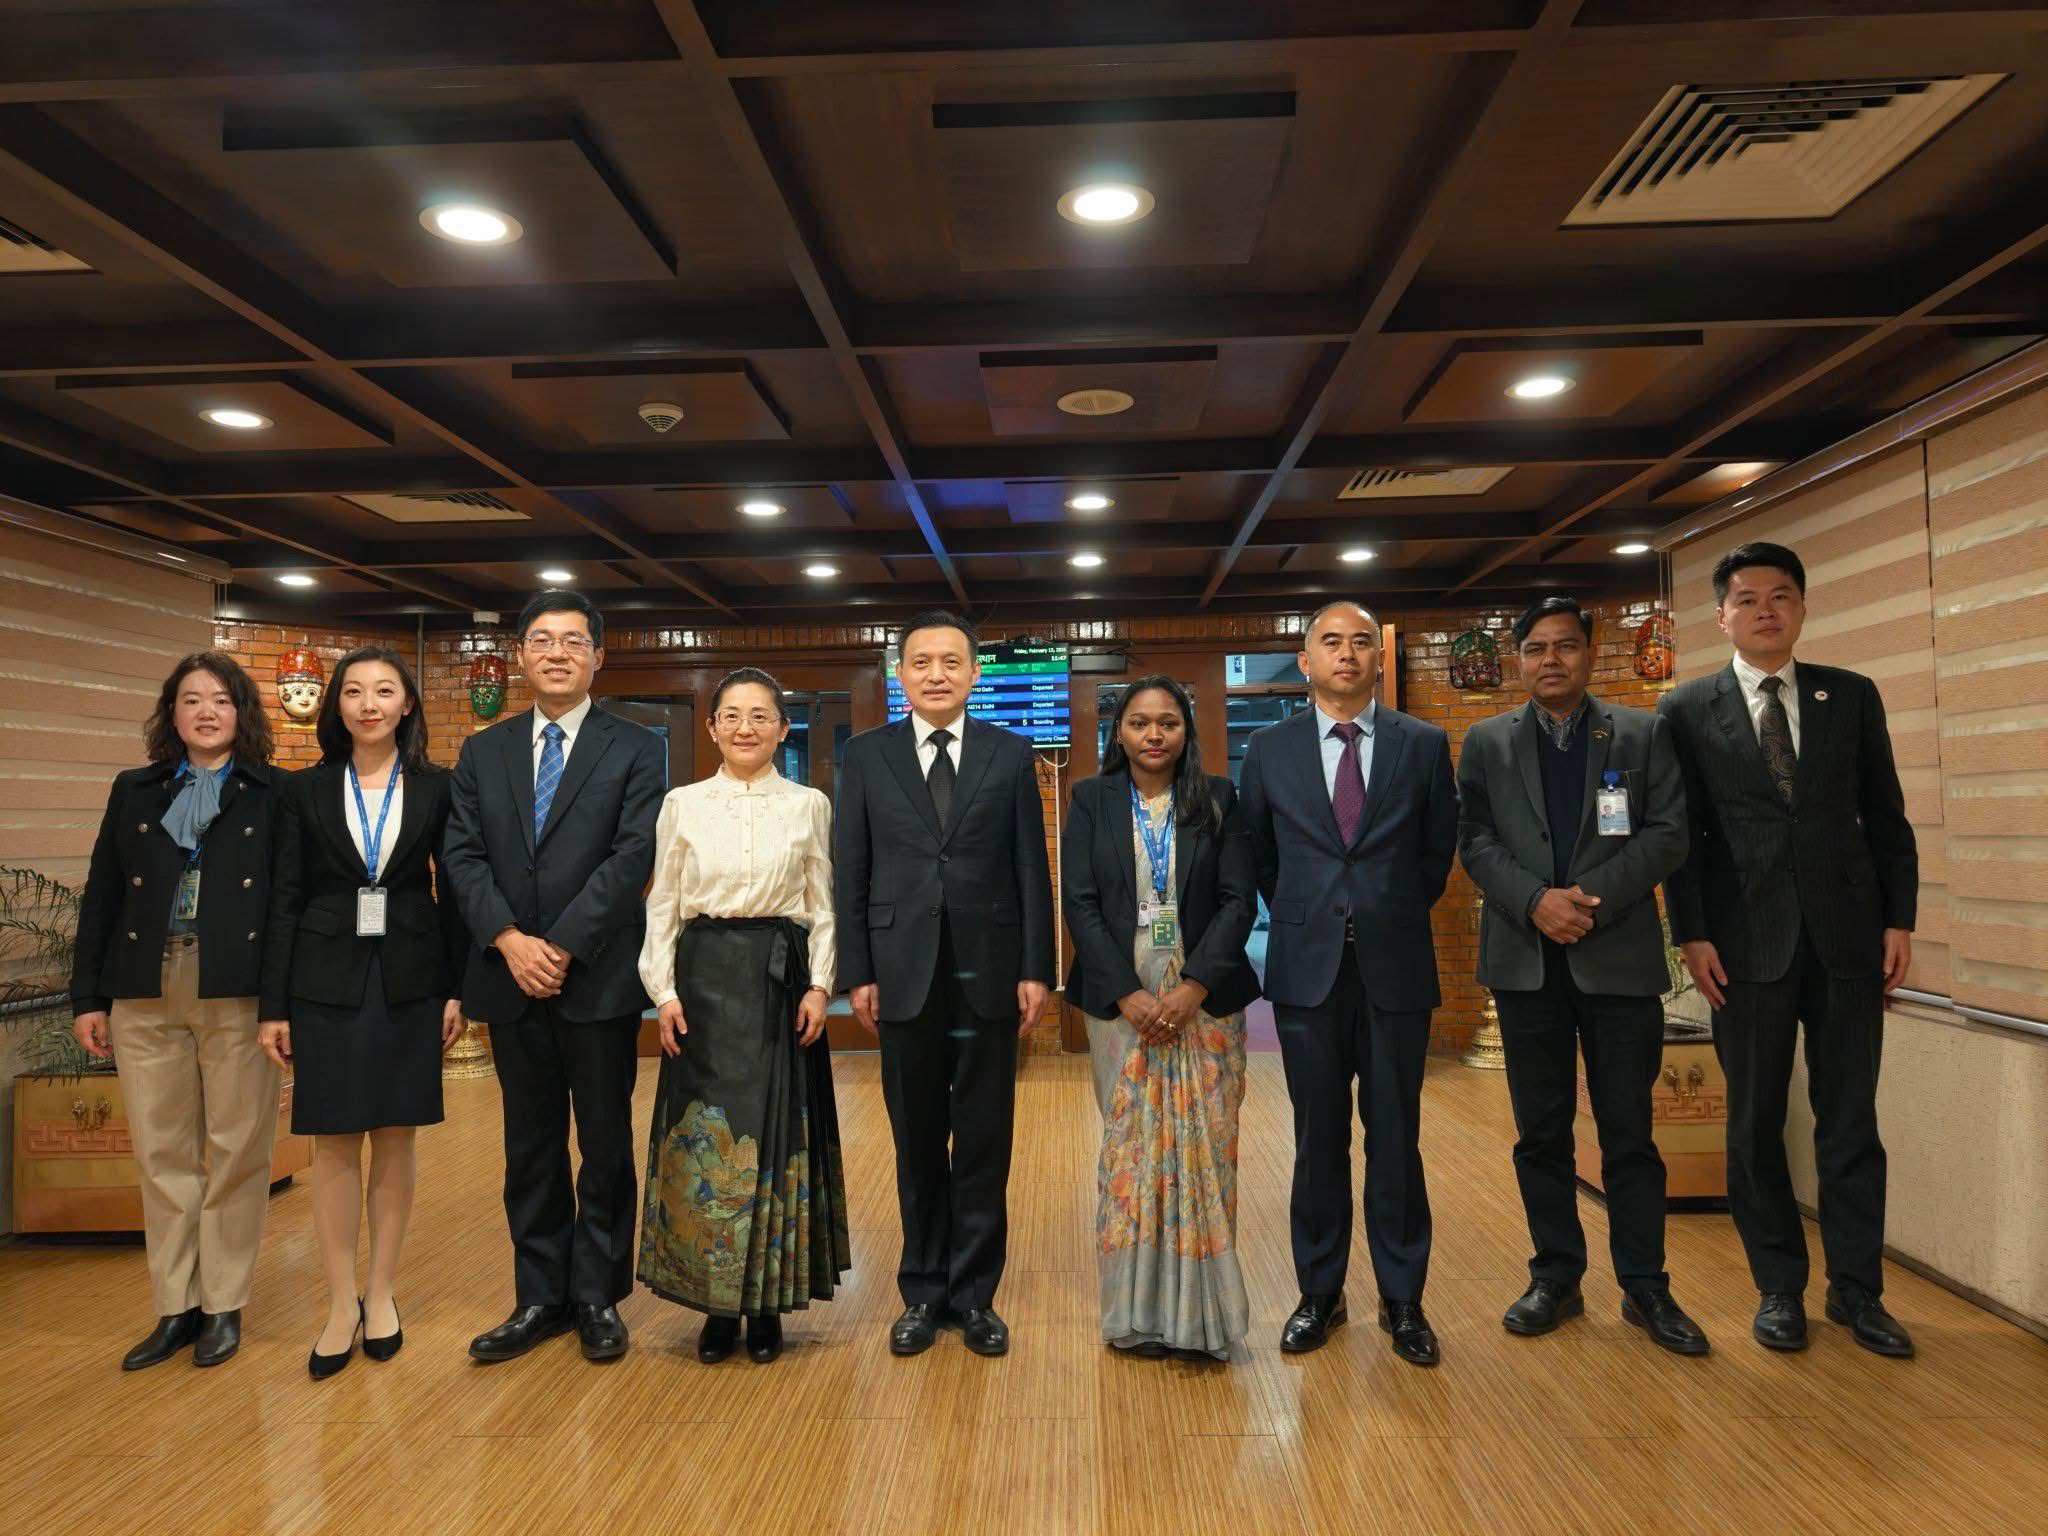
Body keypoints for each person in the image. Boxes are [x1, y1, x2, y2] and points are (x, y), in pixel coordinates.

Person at [1659, 542, 1918, 1357]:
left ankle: (1857, 1290)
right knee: (1754, 1123)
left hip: (1848, 938)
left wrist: (1899, 922)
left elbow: (1887, 818)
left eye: (1781, 596)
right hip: (1743, 944)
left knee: (1850, 1121)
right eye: (1747, 599)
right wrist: (1691, 934)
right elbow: (1685, 838)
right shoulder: (1687, 708)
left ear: (1802, 608)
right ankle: (1778, 1288)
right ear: (1722, 615)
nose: (1765, 610)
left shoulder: (1851, 696)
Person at [1456, 597, 1708, 1355]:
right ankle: (1556, 1277)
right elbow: (1473, 839)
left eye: (1565, 646)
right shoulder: (1486, 742)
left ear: (1590, 654)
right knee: (1540, 1133)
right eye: (1535, 648)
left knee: (1630, 1132)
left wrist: (1587, 906)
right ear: (1519, 659)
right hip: (1525, 961)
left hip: (1617, 955)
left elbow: (1668, 834)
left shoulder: (1641, 731)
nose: (1550, 660)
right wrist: (1535, 901)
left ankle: (1646, 1286)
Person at [442, 590, 665, 1364]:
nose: (558, 652)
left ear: (599, 656)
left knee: (603, 1142)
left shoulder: (638, 747)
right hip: (510, 976)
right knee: (528, 1145)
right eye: (542, 639)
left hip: (595, 977)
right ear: (523, 656)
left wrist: (560, 944)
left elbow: (632, 856)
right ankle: (539, 1295)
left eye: (574, 640)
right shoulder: (484, 751)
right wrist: (509, 939)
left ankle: (598, 1293)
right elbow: (462, 857)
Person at [1238, 601, 1457, 1365]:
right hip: (1307, 971)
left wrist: (1383, 909)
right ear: (1305, 660)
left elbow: (1436, 853)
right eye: (1331, 642)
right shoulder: (1268, 750)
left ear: (1376, 659)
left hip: (1396, 964)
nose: (1347, 653)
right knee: (1318, 1137)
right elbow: (1261, 854)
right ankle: (1319, 1294)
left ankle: (1404, 1301)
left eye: (1361, 641)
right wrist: (1311, 913)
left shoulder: (1423, 745)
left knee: (1397, 1137)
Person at [833, 610, 1055, 1357]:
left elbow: (1032, 865)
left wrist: (1036, 967)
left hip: (990, 971)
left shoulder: (1010, 752)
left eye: (951, 662)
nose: (936, 673)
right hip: (901, 973)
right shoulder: (865, 757)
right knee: (917, 1138)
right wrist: (856, 971)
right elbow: (851, 869)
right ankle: (923, 1292)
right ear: (901, 675)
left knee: (987, 1138)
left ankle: (976, 1296)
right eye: (921, 661)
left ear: (973, 674)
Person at [257, 647, 468, 1378]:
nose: (368, 704)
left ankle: (383, 1293)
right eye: (354, 691)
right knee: (335, 1142)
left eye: (384, 691)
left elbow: (456, 892)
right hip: (323, 980)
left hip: (410, 977)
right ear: (336, 705)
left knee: (396, 1135)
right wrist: (273, 1005)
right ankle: (340, 1301)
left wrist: (456, 988)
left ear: (407, 704)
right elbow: (283, 897)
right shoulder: (303, 791)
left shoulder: (439, 789)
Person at [69, 653, 281, 1370]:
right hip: (143, 984)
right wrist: (88, 998)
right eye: (190, 700)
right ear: (171, 714)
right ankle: (174, 1308)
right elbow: (102, 895)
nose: (205, 712)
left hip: (235, 986)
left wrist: (281, 1006)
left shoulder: (272, 793)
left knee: (235, 1151)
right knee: (160, 1153)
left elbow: (285, 908)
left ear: (241, 712)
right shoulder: (135, 790)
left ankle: (223, 1304)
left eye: (220, 700)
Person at [636, 668, 851, 1365]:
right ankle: (712, 1306)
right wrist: (662, 993)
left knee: (775, 1136)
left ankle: (765, 1305)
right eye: (731, 715)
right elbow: (662, 904)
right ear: (712, 728)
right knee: (705, 1142)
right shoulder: (682, 803)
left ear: (783, 729)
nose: (746, 727)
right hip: (702, 978)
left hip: (779, 978)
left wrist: (821, 987)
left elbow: (822, 902)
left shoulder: (810, 804)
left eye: (761, 715)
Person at [1064, 676, 1260, 1359]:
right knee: (1133, 1155)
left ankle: (1203, 1320)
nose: (1154, 734)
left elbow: (1239, 900)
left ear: (1186, 732)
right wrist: (1128, 993)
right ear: (1117, 731)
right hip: (1121, 1008)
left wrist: (1194, 987)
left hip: (1203, 1005)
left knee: (1206, 1155)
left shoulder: (1220, 798)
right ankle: (1136, 1316)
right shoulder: (1089, 800)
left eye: (1168, 723)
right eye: (1140, 723)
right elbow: (1080, 901)